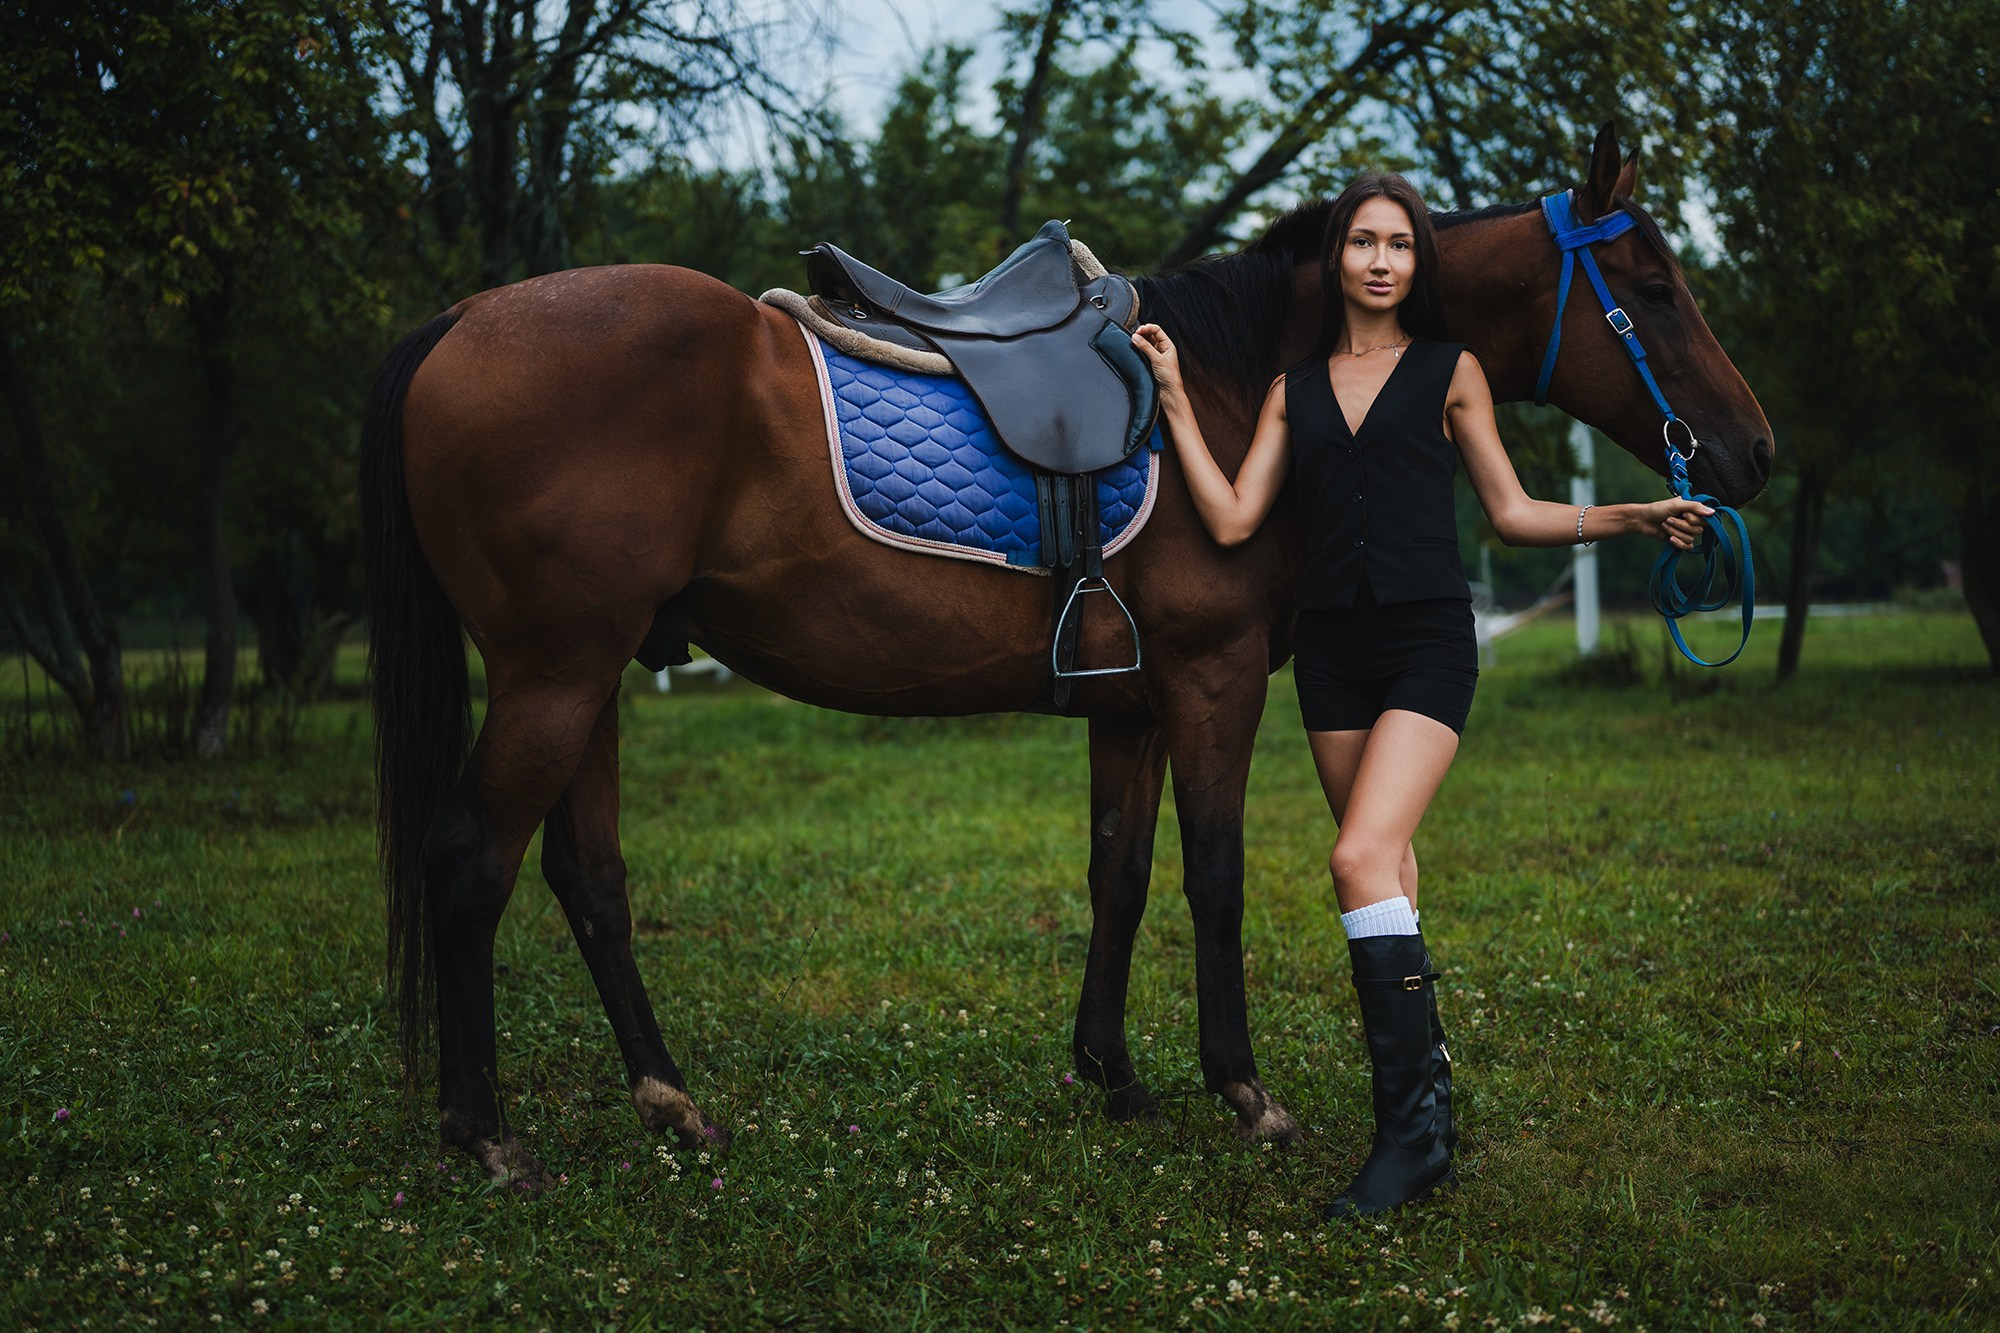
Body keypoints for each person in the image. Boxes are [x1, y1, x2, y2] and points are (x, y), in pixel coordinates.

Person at [1131, 172, 1711, 1218]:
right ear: (1339, 258)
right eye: (1362, 241)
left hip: (1424, 646)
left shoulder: (1451, 372)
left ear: (1416, 265)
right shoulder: (1288, 392)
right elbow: (1226, 520)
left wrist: (1628, 516)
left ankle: (1406, 1144)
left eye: (1399, 244)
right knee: (1388, 865)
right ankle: (1427, 1102)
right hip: (1332, 657)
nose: (1381, 260)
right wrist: (1173, 399)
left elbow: (1510, 511)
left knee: (1353, 858)